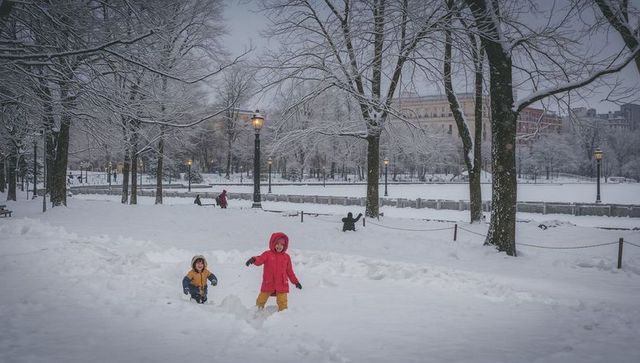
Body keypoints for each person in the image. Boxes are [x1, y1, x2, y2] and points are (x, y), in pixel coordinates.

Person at [245, 232, 301, 311]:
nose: (279, 246)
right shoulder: (267, 254)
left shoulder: (286, 257)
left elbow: (290, 272)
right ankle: (257, 313)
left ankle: (283, 316)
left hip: (282, 284)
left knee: (283, 302)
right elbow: (260, 260)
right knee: (261, 300)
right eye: (277, 243)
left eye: (282, 244)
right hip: (268, 283)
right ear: (273, 243)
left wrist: (296, 282)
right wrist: (254, 259)